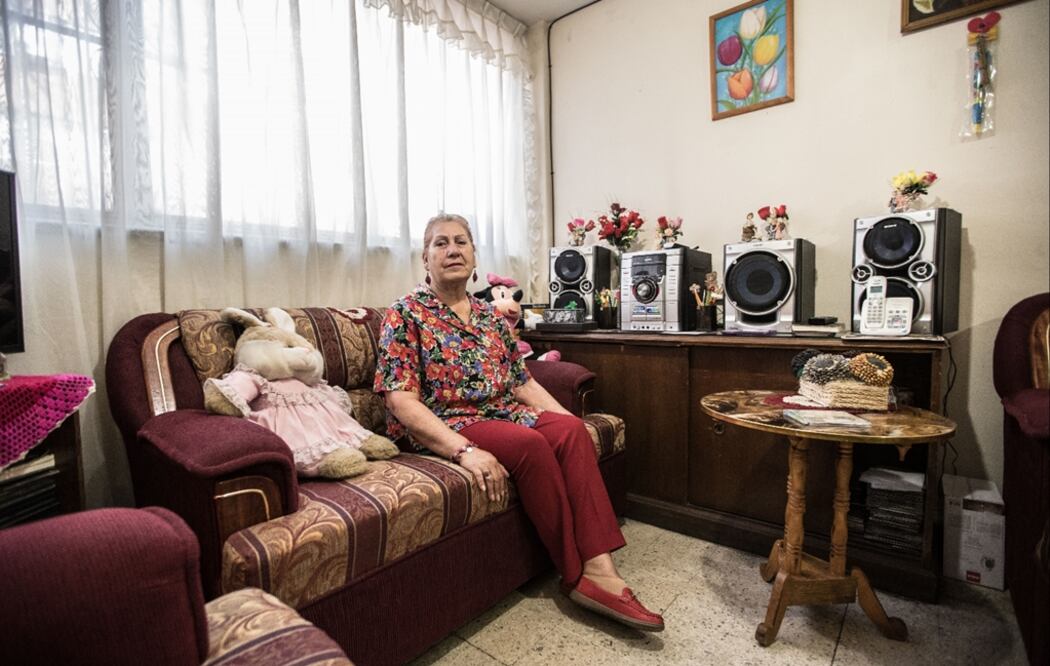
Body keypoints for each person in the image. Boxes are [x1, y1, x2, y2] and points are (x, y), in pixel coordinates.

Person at [374, 213, 664, 632]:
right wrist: (464, 450)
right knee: (531, 446)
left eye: (461, 242)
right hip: (448, 421)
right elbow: (401, 401)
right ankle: (576, 575)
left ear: (474, 256)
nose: (452, 250)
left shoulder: (489, 315)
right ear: (425, 258)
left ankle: (601, 567)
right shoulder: (405, 313)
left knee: (570, 431)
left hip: (502, 411)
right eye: (440, 243)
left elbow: (522, 382)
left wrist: (569, 423)